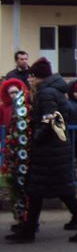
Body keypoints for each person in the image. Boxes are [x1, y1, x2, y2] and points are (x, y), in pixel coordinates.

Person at [6, 57, 77, 243]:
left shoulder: (47, 94)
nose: (30, 80)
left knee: (62, 193)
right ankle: (29, 230)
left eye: (32, 77)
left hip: (50, 151)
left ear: (39, 77)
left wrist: (36, 137)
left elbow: (49, 120)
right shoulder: (54, 91)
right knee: (37, 192)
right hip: (54, 150)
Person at [1, 78, 30, 228]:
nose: (13, 95)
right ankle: (20, 218)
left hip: (21, 152)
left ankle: (26, 219)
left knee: (22, 186)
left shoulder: (23, 107)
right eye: (10, 92)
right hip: (10, 149)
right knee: (12, 185)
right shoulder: (4, 108)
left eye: (15, 92)